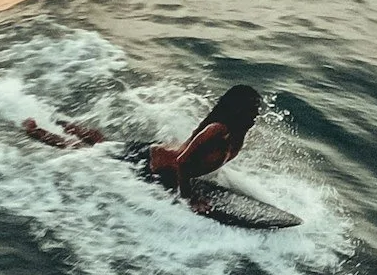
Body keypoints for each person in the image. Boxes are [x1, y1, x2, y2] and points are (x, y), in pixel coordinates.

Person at [23, 85, 263, 212]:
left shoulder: (238, 134)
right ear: (237, 111)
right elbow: (181, 163)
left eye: (257, 109)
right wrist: (189, 199)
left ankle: (59, 121)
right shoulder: (217, 131)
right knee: (86, 150)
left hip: (156, 155)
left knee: (101, 143)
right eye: (252, 110)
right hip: (147, 162)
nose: (256, 115)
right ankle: (36, 130)